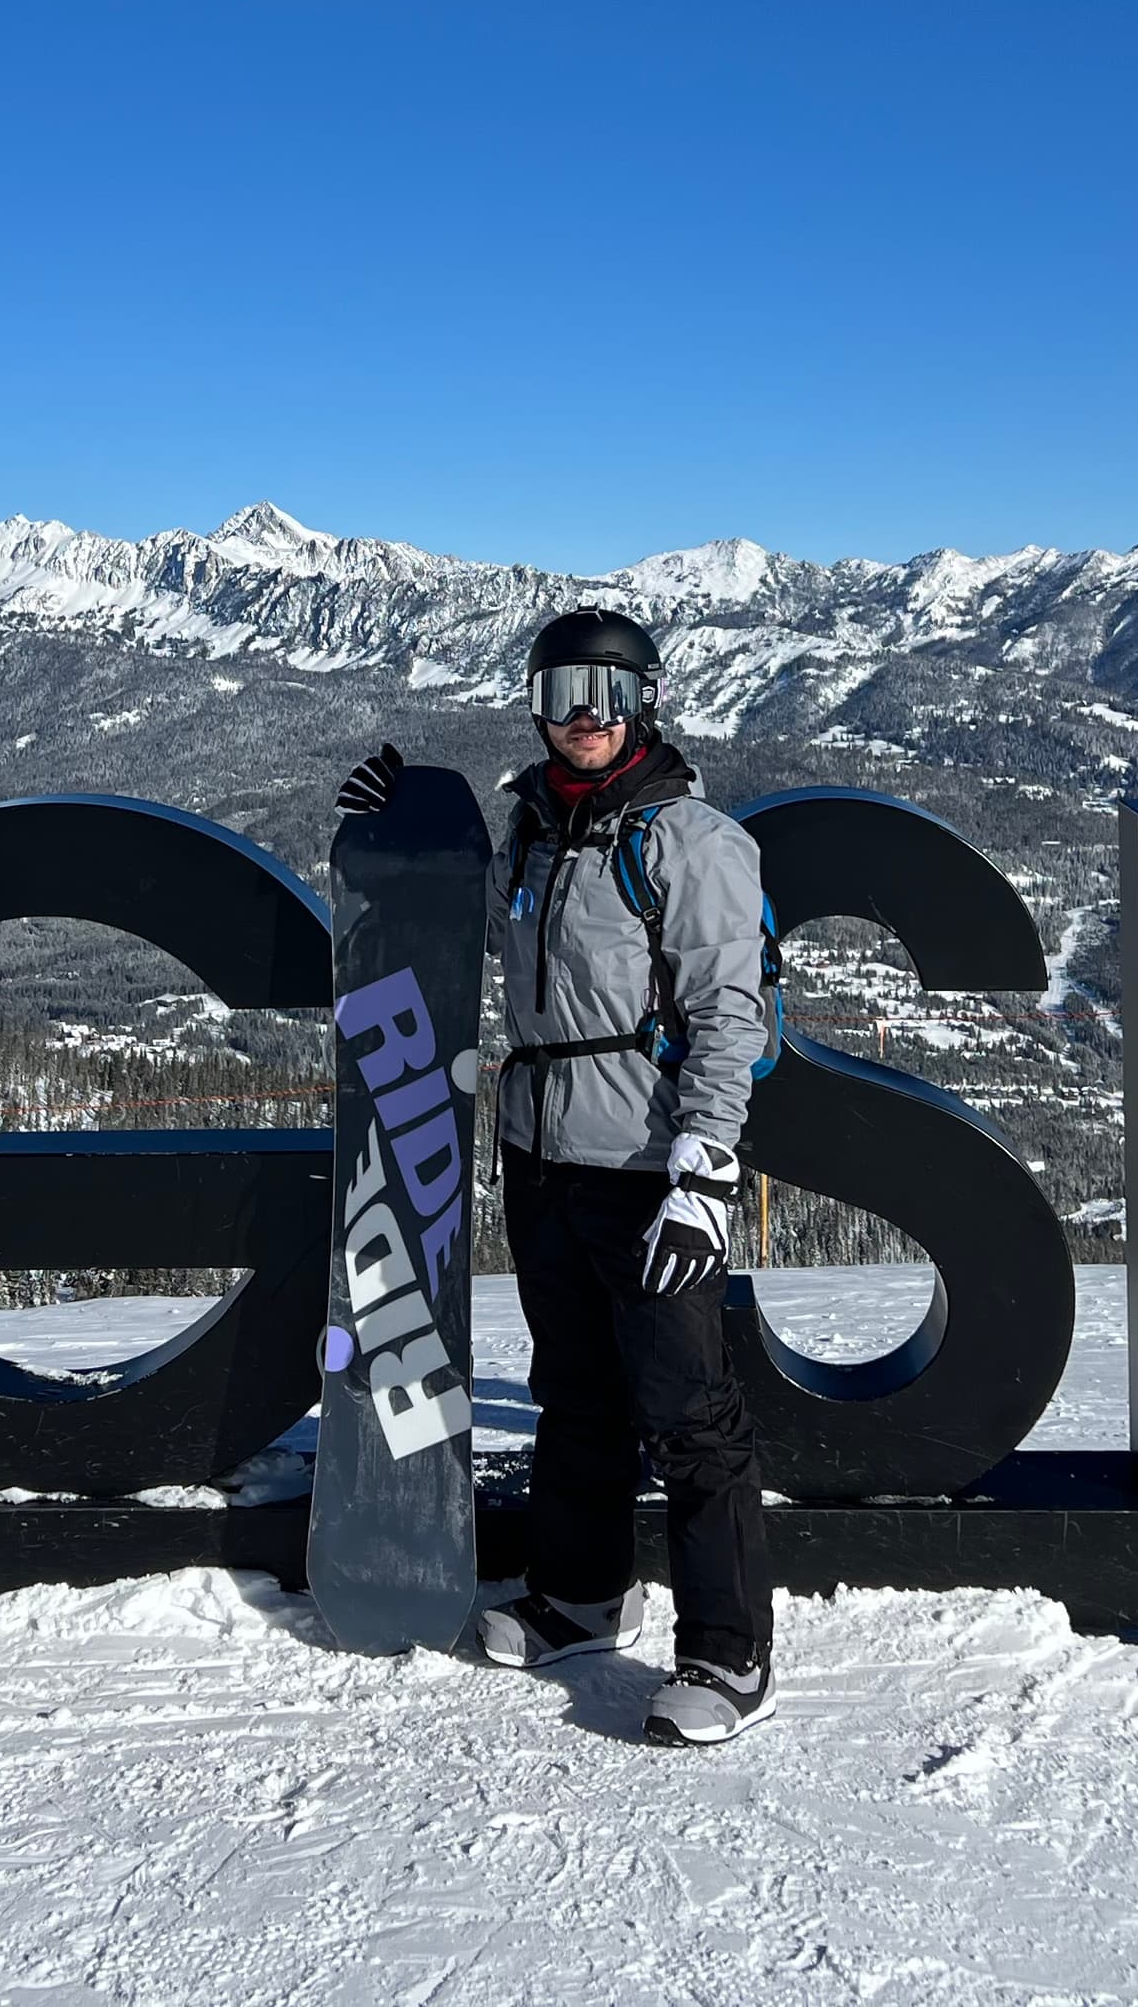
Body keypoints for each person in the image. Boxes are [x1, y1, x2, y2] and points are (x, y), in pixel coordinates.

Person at [340, 606, 776, 1746]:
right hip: (542, 1155)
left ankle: (726, 1653)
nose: (581, 715)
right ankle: (585, 1596)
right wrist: (406, 838)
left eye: (606, 692)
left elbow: (731, 1012)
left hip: (646, 1162)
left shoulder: (688, 840)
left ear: (644, 703)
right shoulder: (531, 831)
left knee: (687, 1412)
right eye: (560, 688)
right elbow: (472, 938)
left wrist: (704, 1168)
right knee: (575, 1390)